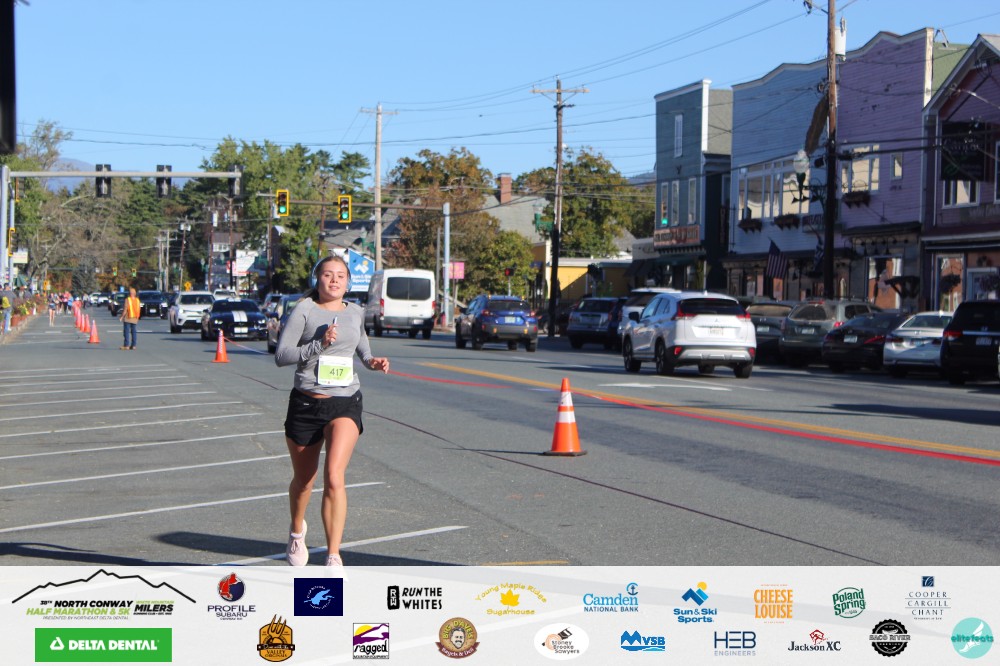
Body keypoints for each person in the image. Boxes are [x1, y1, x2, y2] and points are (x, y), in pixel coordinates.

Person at [274, 254, 389, 567]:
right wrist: (319, 344)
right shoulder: (305, 309)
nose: (334, 280)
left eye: (340, 275)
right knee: (304, 481)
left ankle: (333, 555)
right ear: (318, 279)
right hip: (307, 402)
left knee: (334, 476)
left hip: (345, 401)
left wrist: (373, 362)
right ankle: (296, 531)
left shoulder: (355, 312)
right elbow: (282, 355)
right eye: (328, 274)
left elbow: (362, 350)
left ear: (348, 282)